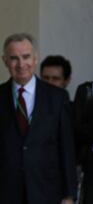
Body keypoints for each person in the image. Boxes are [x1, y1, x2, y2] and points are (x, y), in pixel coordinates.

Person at [0, 33, 77, 203]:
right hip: (6, 192)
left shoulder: (58, 97)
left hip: (47, 191)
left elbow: (66, 148)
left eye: (26, 57)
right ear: (5, 61)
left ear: (35, 59)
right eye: (14, 58)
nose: (21, 64)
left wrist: (69, 195)